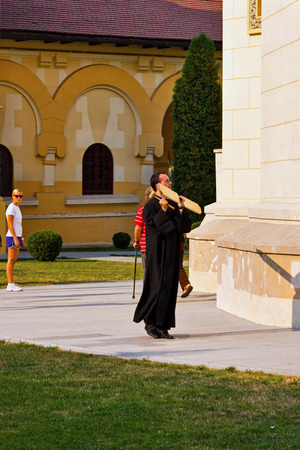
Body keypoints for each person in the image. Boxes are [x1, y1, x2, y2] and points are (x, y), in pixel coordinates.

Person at [133, 172, 191, 339]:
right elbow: (159, 227)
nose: (170, 183)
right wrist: (163, 211)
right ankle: (150, 324)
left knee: (169, 289)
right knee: (156, 288)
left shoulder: (173, 204)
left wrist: (180, 209)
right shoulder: (150, 206)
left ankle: (163, 326)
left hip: (171, 252)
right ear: (158, 186)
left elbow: (182, 227)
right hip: (157, 253)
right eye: (167, 181)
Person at [5, 188, 25, 292]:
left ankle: (11, 283)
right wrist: (15, 238)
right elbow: (10, 224)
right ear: (13, 196)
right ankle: (10, 284)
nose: (18, 198)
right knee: (11, 261)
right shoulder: (11, 208)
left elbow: (18, 225)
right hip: (12, 236)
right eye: (17, 196)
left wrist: (21, 239)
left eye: (20, 196)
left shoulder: (17, 208)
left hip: (17, 236)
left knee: (14, 261)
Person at [133, 186, 153, 278]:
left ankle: (148, 290)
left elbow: (138, 228)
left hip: (146, 245)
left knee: (147, 270)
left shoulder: (142, 210)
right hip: (158, 245)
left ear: (146, 198)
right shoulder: (162, 209)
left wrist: (136, 241)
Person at [179, 233, 193, 298]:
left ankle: (186, 285)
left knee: (173, 266)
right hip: (181, 240)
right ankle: (186, 285)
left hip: (173, 241)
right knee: (178, 266)